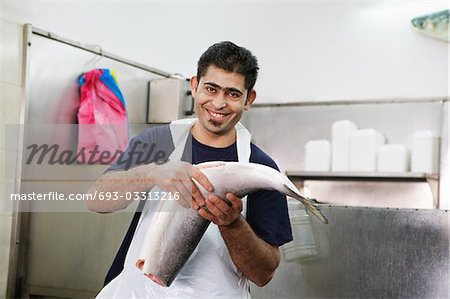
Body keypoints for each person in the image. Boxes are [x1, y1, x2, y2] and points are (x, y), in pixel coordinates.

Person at [87, 41, 293, 298]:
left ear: (248, 99)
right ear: (194, 86)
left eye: (232, 93)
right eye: (211, 88)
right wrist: (153, 173)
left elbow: (263, 274)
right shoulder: (157, 142)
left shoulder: (259, 169)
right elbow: (97, 199)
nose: (218, 103)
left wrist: (232, 224)